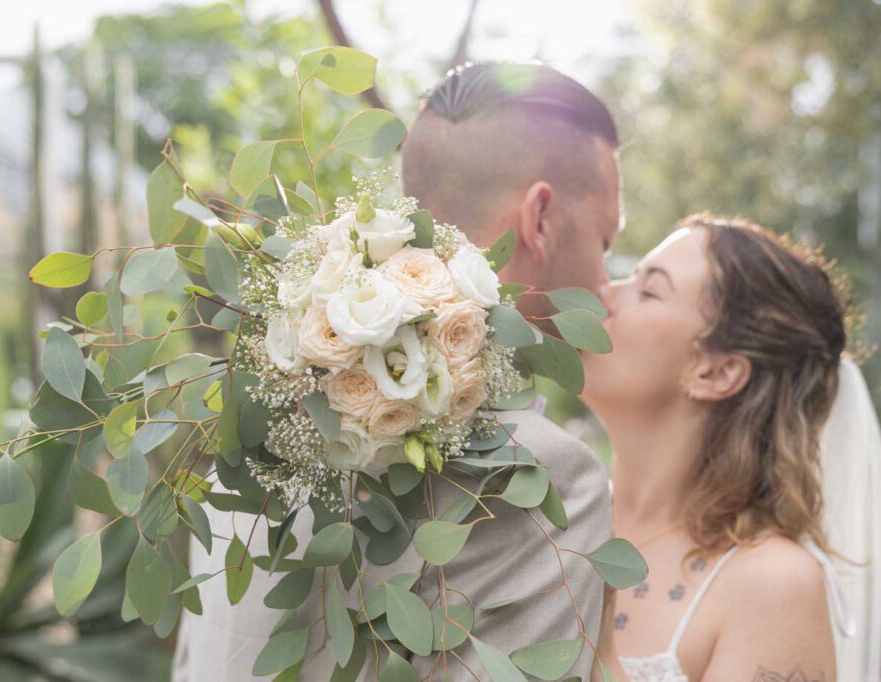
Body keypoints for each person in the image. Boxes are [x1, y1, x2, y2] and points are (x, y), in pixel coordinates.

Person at [172, 62, 621, 680]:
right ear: (539, 219)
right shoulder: (543, 477)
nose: (607, 284)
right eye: (605, 239)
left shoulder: (257, 434)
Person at [584, 215, 856, 682]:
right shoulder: (550, 515)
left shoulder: (775, 585)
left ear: (716, 372)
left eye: (648, 290)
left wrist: (598, 651)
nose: (604, 293)